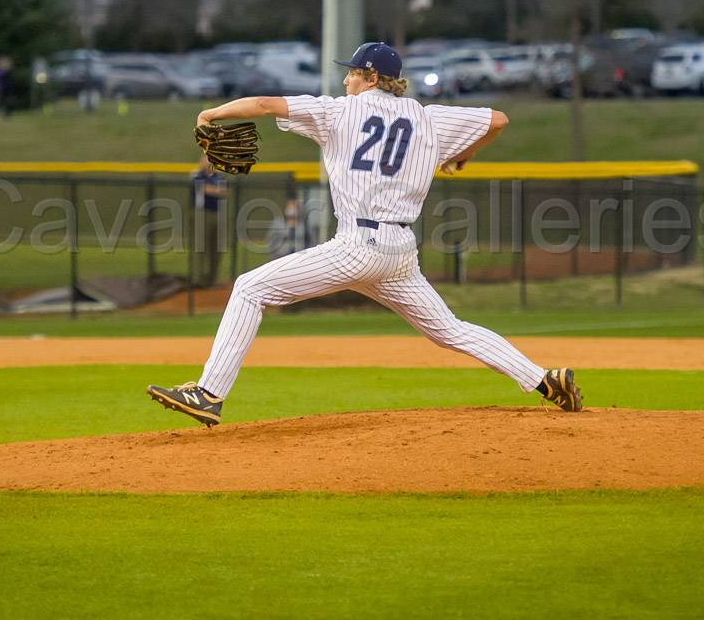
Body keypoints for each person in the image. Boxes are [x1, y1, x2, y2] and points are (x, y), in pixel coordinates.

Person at [147, 41, 582, 427]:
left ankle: (208, 394)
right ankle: (544, 380)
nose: (345, 79)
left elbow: (263, 104)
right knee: (450, 330)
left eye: (352, 72)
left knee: (249, 288)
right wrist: (462, 155)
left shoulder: (338, 110)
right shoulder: (427, 118)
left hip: (357, 245)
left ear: (372, 77)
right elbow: (498, 119)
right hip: (399, 253)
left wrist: (210, 113)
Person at [191, 154, 228, 288]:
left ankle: (212, 280)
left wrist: (215, 190)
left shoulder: (219, 176)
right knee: (200, 246)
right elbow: (204, 188)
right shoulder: (197, 174)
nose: (208, 161)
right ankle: (198, 280)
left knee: (216, 248)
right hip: (202, 213)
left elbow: (224, 191)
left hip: (218, 213)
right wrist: (216, 190)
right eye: (206, 158)